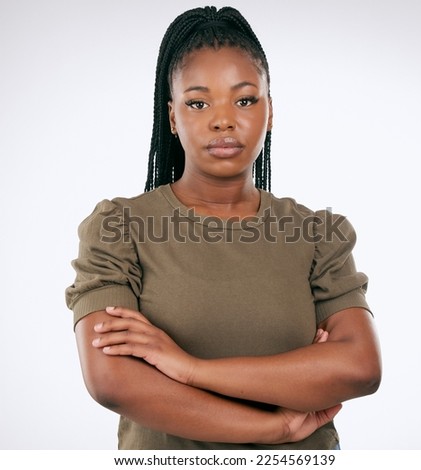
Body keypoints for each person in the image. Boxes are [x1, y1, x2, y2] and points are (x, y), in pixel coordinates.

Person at [65, 6, 381, 450]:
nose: (223, 120)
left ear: (269, 111)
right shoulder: (120, 228)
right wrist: (275, 425)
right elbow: (112, 381)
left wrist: (187, 368)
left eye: (245, 99)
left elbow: (360, 369)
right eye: (198, 102)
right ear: (173, 117)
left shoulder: (317, 233)